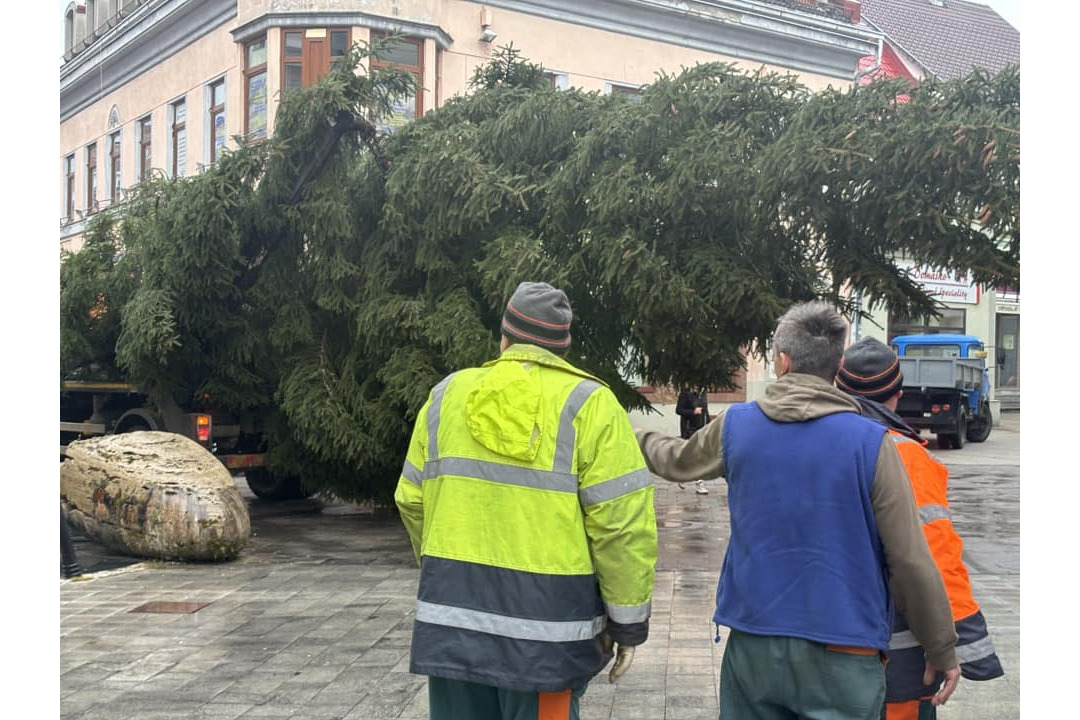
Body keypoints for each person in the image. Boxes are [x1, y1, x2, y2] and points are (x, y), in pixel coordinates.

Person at [634, 300, 961, 720]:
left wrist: (628, 431)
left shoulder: (737, 427)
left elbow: (675, 460)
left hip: (755, 644)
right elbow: (909, 558)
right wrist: (941, 646)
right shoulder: (872, 442)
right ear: (837, 366)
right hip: (844, 650)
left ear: (782, 362)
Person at [395, 281, 658, 720]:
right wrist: (627, 624)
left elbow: (411, 500)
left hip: (454, 628)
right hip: (547, 644)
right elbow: (622, 526)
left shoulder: (446, 397)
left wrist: (450, 573)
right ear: (562, 349)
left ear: (504, 337)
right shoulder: (591, 406)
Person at [836, 337, 1004, 720]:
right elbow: (936, 555)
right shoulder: (906, 454)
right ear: (897, 394)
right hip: (896, 655)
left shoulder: (817, 443)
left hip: (821, 647)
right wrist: (965, 642)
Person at [676, 387, 712, 495]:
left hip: (702, 428)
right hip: (689, 429)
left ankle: (682, 475)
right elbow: (679, 410)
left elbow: (705, 411)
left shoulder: (702, 392)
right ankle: (699, 483)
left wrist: (709, 425)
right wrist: (693, 411)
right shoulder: (685, 393)